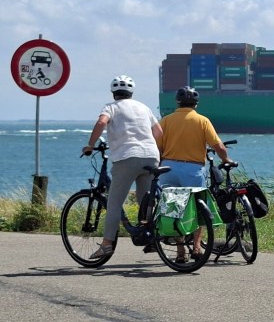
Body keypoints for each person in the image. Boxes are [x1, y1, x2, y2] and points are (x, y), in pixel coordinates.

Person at [83, 75, 163, 259]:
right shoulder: (144, 107)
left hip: (127, 158)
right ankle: (149, 237)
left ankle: (106, 245)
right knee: (145, 201)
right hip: (151, 156)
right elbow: (159, 132)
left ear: (113, 93)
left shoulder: (111, 107)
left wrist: (90, 145)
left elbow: (102, 122)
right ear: (131, 93)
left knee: (114, 203)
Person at [157, 86, 232, 263]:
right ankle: (197, 247)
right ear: (196, 104)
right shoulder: (202, 121)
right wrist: (226, 159)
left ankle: (181, 250)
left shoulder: (165, 121)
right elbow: (218, 146)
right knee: (200, 210)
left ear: (177, 102)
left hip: (168, 168)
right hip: (193, 169)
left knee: (173, 208)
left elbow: (157, 146)